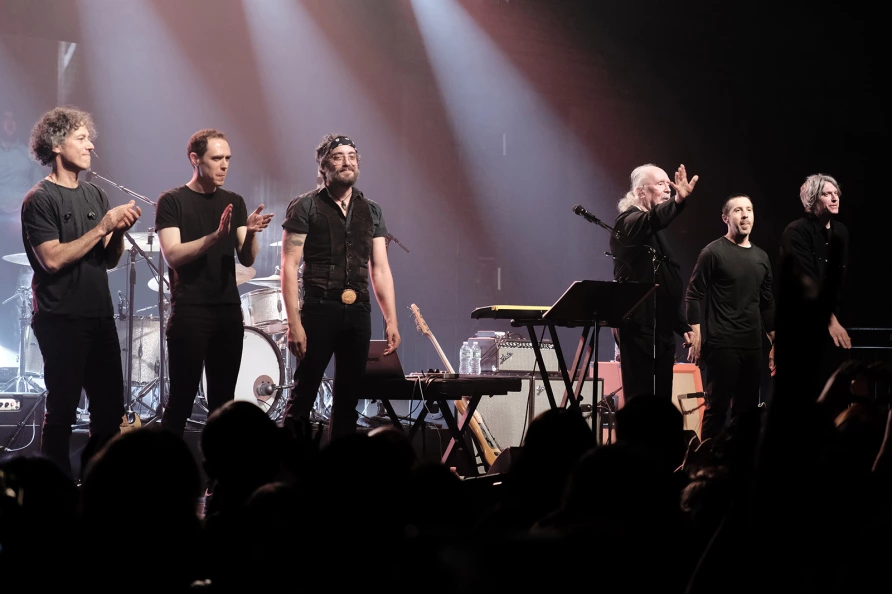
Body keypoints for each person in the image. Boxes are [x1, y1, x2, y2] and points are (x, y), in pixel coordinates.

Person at [20, 106, 141, 479]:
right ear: (57, 145)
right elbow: (52, 260)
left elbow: (107, 260)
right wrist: (103, 225)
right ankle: (48, 498)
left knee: (109, 413)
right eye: (82, 138)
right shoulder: (39, 199)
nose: (91, 145)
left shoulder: (95, 195)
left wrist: (117, 230)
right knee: (63, 411)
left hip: (99, 316)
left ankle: (96, 490)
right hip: (61, 318)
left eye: (90, 138)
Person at [280, 133, 400, 442]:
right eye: (338, 157)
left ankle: (340, 476)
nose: (346, 162)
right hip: (319, 308)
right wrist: (295, 323)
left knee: (349, 400)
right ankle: (292, 471)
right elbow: (290, 267)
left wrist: (391, 319)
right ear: (323, 166)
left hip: (358, 310)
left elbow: (381, 268)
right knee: (304, 392)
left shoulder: (371, 210)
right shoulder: (306, 205)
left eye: (352, 156)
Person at [155, 128, 273, 437]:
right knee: (180, 401)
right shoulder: (172, 201)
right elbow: (173, 255)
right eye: (216, 158)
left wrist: (251, 234)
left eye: (228, 159)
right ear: (195, 159)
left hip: (227, 310)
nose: (224, 165)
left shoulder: (234, 201)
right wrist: (215, 237)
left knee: (224, 404)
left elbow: (247, 259)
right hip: (190, 311)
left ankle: (221, 480)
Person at [685, 194, 776, 441]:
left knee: (746, 415)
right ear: (726, 218)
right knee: (717, 411)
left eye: (749, 209)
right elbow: (693, 295)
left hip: (751, 345)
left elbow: (766, 302)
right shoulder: (713, 252)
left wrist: (774, 341)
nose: (745, 214)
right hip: (722, 344)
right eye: (738, 210)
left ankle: (738, 468)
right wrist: (697, 335)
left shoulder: (761, 257)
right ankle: (703, 469)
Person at [610, 163, 699, 403]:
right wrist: (679, 202)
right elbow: (654, 219)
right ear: (640, 192)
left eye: (669, 184)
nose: (668, 189)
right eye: (660, 184)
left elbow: (664, 283)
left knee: (660, 403)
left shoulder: (654, 229)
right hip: (640, 328)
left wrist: (682, 325)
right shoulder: (629, 222)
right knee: (642, 403)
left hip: (662, 329)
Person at [779, 173, 850, 390]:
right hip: (804, 325)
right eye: (827, 194)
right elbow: (806, 280)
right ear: (812, 200)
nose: (834, 197)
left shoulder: (841, 232)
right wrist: (831, 321)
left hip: (833, 320)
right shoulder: (796, 231)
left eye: (835, 193)